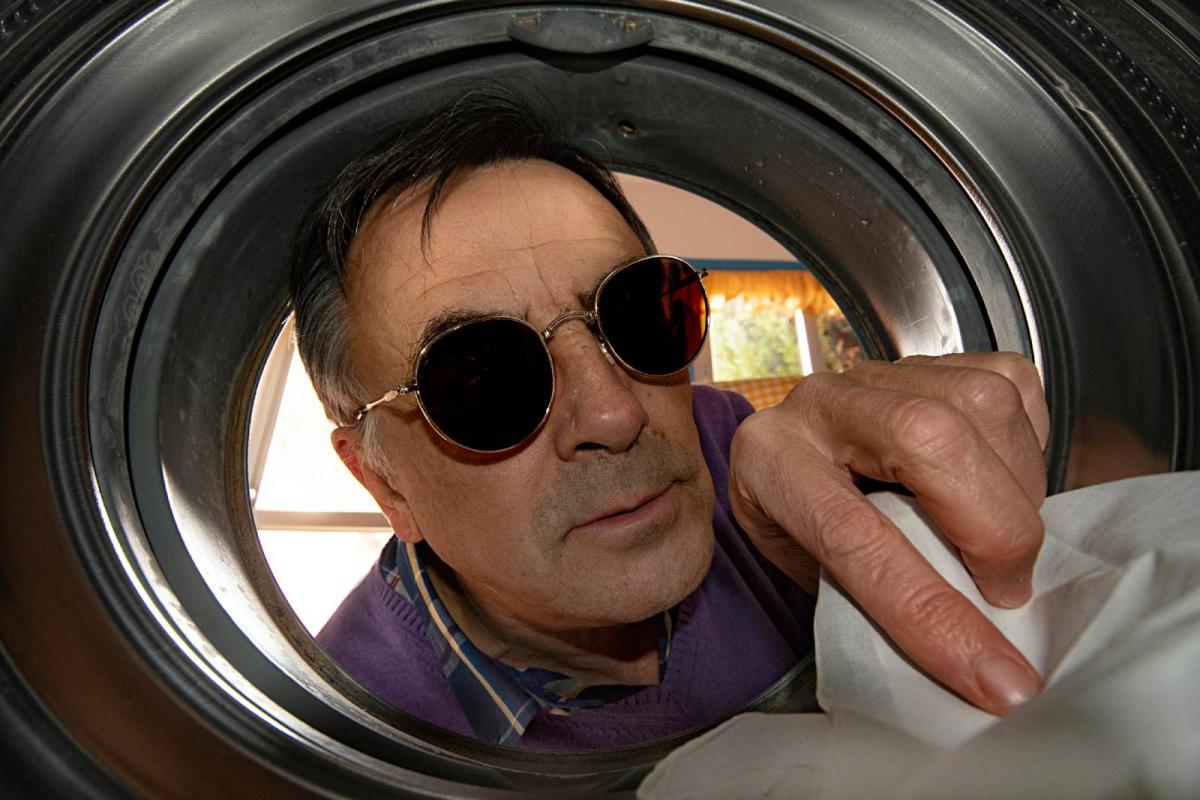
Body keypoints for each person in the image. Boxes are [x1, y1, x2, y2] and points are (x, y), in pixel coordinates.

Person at [289, 92, 1049, 749]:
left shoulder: (741, 456)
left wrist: (916, 516)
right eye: (483, 379)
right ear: (383, 481)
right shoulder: (340, 744)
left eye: (638, 317)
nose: (616, 413)